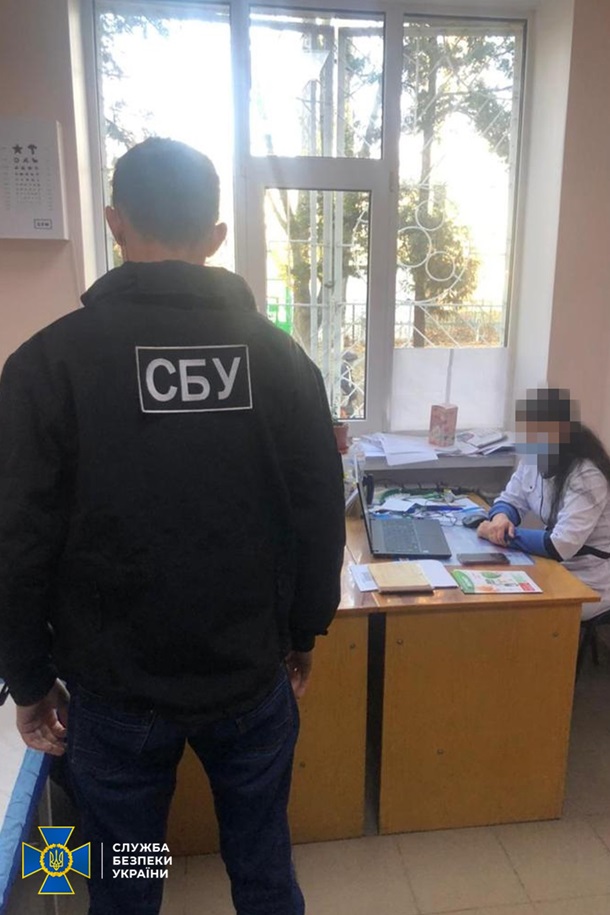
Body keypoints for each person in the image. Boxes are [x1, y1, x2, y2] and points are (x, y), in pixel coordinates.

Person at [0, 137, 345, 915]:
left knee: (129, 882)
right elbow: (319, 508)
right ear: (216, 236)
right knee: (262, 867)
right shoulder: (281, 361)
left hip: (116, 696)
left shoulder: (48, 366)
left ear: (115, 222)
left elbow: (17, 541)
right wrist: (304, 630)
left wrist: (28, 679)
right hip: (248, 680)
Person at [477, 387, 610, 620]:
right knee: (486, 591)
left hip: (588, 580)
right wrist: (500, 519)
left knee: (507, 610)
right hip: (551, 567)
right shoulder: (533, 459)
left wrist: (499, 534)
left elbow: (561, 545)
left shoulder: (586, 475)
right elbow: (510, 500)